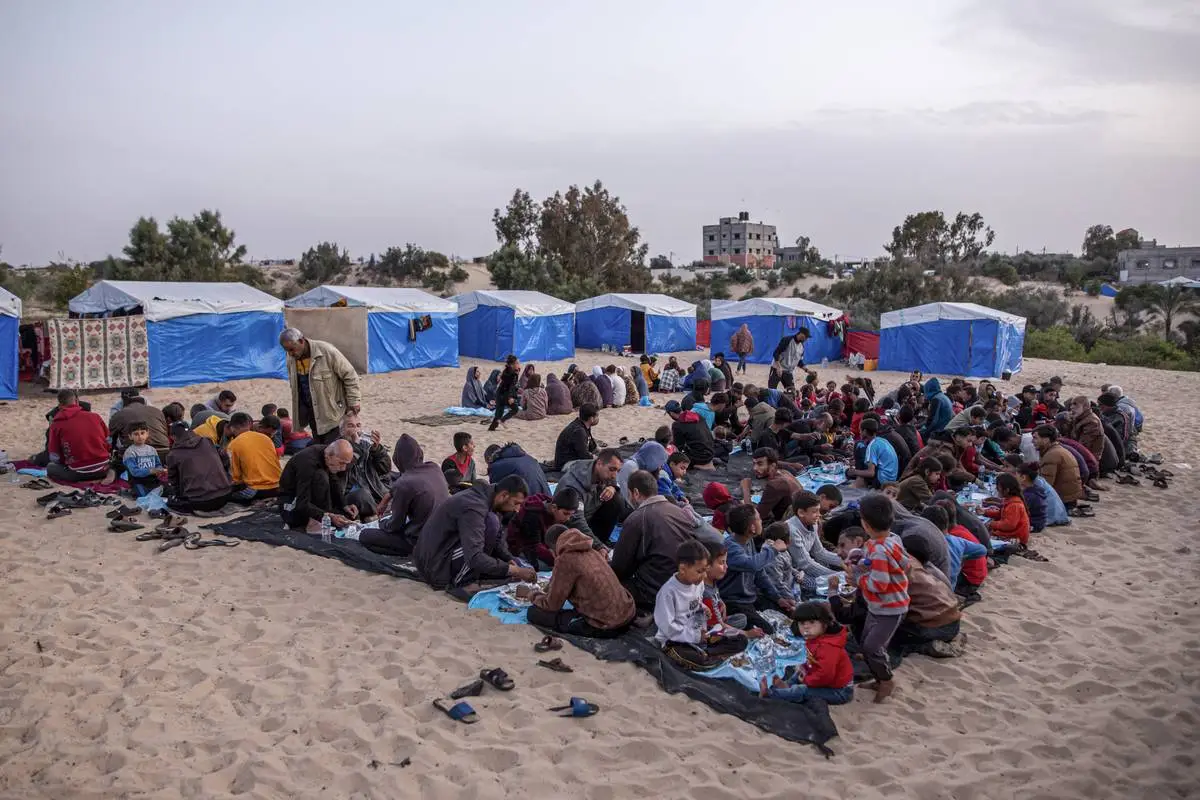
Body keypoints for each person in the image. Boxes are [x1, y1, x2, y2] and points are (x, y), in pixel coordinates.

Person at [413, 475, 536, 596]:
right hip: (436, 563)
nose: (517, 509)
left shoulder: (488, 498)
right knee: (491, 525)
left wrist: (508, 559)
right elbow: (475, 557)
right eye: (516, 503)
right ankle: (462, 581)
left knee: (493, 524)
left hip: (443, 549)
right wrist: (515, 571)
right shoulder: (474, 507)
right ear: (503, 495)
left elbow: (497, 539)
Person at [519, 524, 636, 638]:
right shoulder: (592, 552)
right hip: (628, 615)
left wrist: (532, 594)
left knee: (534, 613)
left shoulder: (565, 559)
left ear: (553, 549)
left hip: (605, 625)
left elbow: (552, 605)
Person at [655, 540, 749, 670]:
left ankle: (706, 652)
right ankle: (705, 655)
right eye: (700, 571)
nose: (704, 575)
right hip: (675, 641)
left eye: (705, 570)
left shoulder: (698, 583)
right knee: (700, 661)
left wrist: (703, 607)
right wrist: (696, 636)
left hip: (700, 633)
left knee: (741, 640)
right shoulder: (668, 593)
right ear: (683, 569)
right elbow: (668, 628)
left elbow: (695, 602)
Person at [611, 470, 698, 609]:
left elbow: (620, 567)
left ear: (636, 493)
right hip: (687, 585)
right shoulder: (677, 511)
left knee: (602, 582)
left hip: (653, 592)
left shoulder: (637, 518)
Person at [852, 493, 909, 702]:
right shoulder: (892, 539)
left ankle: (886, 680)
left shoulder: (878, 550)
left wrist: (858, 579)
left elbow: (880, 583)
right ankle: (878, 677)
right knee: (868, 640)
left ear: (865, 524)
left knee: (872, 646)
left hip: (889, 607)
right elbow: (903, 564)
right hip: (881, 605)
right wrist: (862, 561)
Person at [360, 434, 448, 557]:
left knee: (365, 536)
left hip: (420, 541)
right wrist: (388, 496)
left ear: (398, 459)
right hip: (443, 536)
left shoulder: (404, 484)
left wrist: (381, 523)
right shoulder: (434, 467)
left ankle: (410, 553)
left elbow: (394, 526)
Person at [759, 602, 854, 705]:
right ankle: (786, 686)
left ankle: (771, 695)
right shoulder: (815, 638)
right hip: (823, 678)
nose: (806, 627)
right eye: (802, 623)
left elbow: (825, 675)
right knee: (799, 672)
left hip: (839, 691)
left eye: (812, 622)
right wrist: (804, 670)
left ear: (825, 624)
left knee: (802, 690)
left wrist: (806, 680)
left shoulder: (829, 647)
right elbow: (812, 659)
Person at [719, 504, 795, 633]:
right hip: (734, 601)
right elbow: (752, 564)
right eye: (759, 519)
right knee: (767, 631)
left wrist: (778, 598)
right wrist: (773, 549)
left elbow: (759, 573)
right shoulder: (731, 548)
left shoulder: (748, 540)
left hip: (750, 596)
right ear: (752, 528)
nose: (762, 522)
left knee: (787, 611)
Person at [279, 328, 361, 445]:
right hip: (312, 414)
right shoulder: (291, 358)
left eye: (292, 349)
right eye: (286, 351)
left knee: (333, 449)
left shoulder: (326, 351)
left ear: (301, 341)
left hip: (333, 413)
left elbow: (350, 375)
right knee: (320, 448)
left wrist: (354, 401)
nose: (290, 353)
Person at [556, 449, 631, 546]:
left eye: (618, 471)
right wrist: (598, 546)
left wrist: (612, 488)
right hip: (571, 524)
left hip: (591, 514)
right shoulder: (574, 485)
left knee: (618, 500)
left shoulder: (602, 472)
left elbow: (613, 483)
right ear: (599, 463)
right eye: (612, 469)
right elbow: (576, 521)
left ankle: (600, 539)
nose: (614, 475)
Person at [278, 440, 357, 530]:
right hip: (292, 506)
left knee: (348, 515)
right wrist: (328, 516)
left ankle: (324, 516)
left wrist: (344, 505)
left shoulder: (328, 455)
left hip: (311, 505)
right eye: (341, 463)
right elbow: (302, 503)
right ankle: (314, 524)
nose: (343, 468)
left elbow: (334, 481)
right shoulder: (308, 462)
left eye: (346, 464)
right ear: (328, 456)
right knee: (321, 476)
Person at [785, 491, 844, 595]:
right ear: (801, 513)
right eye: (815, 511)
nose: (819, 515)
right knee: (823, 587)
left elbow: (820, 553)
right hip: (792, 571)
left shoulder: (813, 523)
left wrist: (846, 561)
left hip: (805, 565)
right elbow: (805, 564)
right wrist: (837, 575)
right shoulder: (792, 530)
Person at [166, 423, 233, 513]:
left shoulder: (173, 454)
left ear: (173, 437)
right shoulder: (208, 441)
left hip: (201, 502)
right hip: (225, 496)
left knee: (171, 501)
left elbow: (174, 482)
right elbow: (225, 459)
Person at [46, 389, 111, 483]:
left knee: (50, 467)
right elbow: (108, 441)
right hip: (103, 469)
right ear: (77, 401)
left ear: (60, 406)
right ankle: (109, 474)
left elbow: (54, 456)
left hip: (78, 472)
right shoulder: (95, 416)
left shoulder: (56, 424)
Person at [507, 487, 578, 567]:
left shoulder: (558, 510)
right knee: (552, 566)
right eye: (565, 514)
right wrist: (557, 558)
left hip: (542, 545)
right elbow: (533, 546)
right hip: (521, 547)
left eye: (571, 515)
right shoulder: (532, 515)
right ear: (554, 507)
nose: (568, 518)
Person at [338, 415, 392, 516]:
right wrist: (356, 447)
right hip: (352, 494)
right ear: (342, 431)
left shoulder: (367, 445)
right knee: (362, 495)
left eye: (358, 426)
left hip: (374, 490)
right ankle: (379, 515)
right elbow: (342, 469)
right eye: (351, 426)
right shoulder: (338, 447)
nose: (355, 430)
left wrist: (377, 450)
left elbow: (385, 469)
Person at [225, 412, 281, 503]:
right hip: (278, 487)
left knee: (226, 494)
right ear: (249, 424)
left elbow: (236, 478)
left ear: (232, 427)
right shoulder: (266, 438)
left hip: (257, 490)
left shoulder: (233, 445)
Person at [1033, 424, 1083, 509]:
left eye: (1035, 438)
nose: (1032, 441)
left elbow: (1045, 486)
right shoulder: (1057, 450)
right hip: (1070, 498)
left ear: (1046, 440)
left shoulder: (1051, 455)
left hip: (1063, 501)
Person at [485, 442, 551, 497]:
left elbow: (496, 492)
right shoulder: (527, 457)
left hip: (531, 503)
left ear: (489, 459)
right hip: (547, 497)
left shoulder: (496, 466)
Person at [983, 472, 1031, 546]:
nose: (996, 489)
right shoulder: (1009, 500)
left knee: (983, 537)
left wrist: (992, 524)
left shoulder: (1014, 505)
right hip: (1012, 532)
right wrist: (985, 512)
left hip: (1016, 537)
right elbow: (1001, 514)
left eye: (998, 487)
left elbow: (1008, 525)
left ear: (1007, 490)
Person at [665, 400, 716, 470]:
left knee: (672, 460)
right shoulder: (697, 415)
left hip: (702, 457)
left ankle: (700, 465)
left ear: (671, 413)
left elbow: (678, 447)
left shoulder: (677, 425)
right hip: (712, 451)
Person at [849, 418, 899, 489]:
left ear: (865, 431)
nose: (859, 432)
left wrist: (854, 472)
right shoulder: (882, 440)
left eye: (860, 430)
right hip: (892, 478)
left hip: (882, 481)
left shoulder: (872, 446)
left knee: (859, 445)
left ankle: (860, 481)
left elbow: (871, 473)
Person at [121, 422, 165, 497]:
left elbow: (158, 465)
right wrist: (151, 471)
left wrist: (159, 470)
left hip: (152, 480)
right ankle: (129, 491)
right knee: (143, 496)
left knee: (165, 491)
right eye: (136, 434)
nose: (140, 436)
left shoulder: (152, 450)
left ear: (147, 434)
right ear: (130, 436)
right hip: (138, 481)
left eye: (142, 433)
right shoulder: (130, 452)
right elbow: (134, 472)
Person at [762, 522, 803, 602]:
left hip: (792, 584)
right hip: (784, 595)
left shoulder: (782, 549)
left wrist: (797, 573)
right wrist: (793, 600)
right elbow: (777, 584)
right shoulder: (774, 558)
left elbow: (788, 567)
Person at [553, 404, 599, 471]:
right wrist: (598, 459)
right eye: (597, 416)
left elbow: (592, 447)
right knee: (597, 467)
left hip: (574, 459)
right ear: (591, 419)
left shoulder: (584, 426)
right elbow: (585, 456)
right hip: (566, 464)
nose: (598, 418)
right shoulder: (579, 431)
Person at [489, 354, 521, 431]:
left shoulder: (506, 371)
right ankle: (502, 420)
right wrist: (511, 397)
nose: (518, 365)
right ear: (511, 365)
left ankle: (492, 428)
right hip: (505, 394)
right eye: (517, 363)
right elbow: (511, 386)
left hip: (499, 393)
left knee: (499, 413)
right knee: (515, 409)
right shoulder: (513, 374)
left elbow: (507, 384)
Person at [1016, 462, 1047, 533]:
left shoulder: (1030, 496)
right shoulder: (1035, 489)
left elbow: (1018, 512)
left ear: (1023, 477)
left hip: (1034, 525)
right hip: (1039, 522)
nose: (1015, 477)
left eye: (1016, 475)